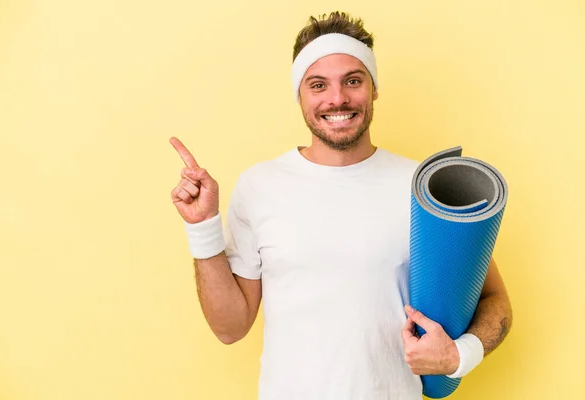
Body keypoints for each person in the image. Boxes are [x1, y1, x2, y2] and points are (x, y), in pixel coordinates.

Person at [169, 11, 512, 400]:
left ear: (374, 88)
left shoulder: (424, 185)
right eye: (318, 85)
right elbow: (230, 328)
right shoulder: (259, 186)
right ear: (299, 95)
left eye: (353, 80)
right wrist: (202, 228)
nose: (337, 98)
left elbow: (494, 300)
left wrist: (458, 356)